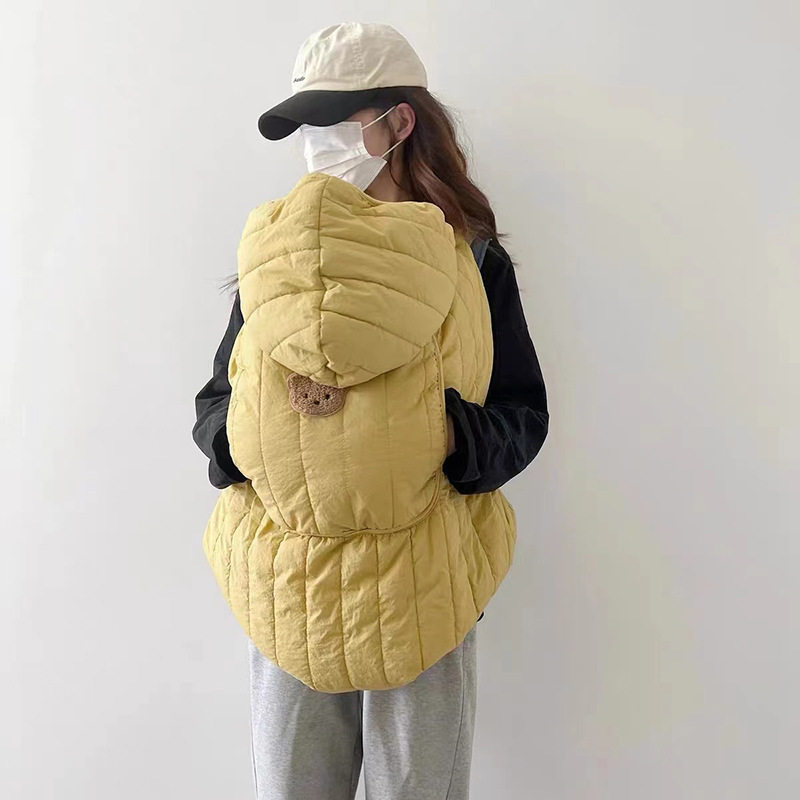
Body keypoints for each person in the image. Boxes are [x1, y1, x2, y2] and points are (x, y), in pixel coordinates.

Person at [192, 21, 549, 800]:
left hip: (423, 590)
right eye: (304, 126)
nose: (316, 143)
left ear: (399, 121)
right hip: (289, 585)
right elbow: (217, 401)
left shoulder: (472, 261)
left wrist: (440, 436)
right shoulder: (278, 257)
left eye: (334, 120)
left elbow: (523, 415)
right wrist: (250, 440)